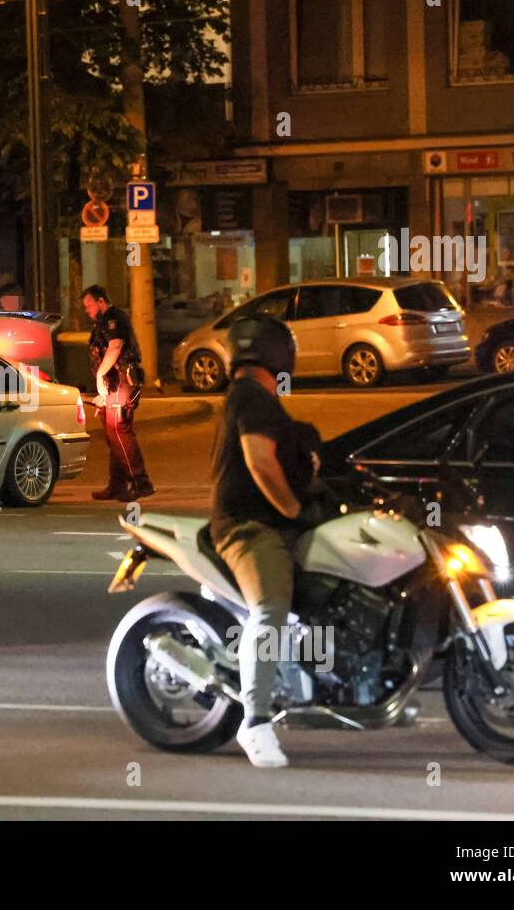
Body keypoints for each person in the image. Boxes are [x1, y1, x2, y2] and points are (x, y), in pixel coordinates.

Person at [208, 314, 319, 768]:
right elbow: (261, 463)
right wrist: (293, 508)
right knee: (270, 607)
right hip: (249, 527)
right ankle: (254, 722)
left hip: (270, 524)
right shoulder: (252, 399)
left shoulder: (253, 398)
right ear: (279, 356)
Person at [82, 285, 154, 501]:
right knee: (113, 434)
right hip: (113, 383)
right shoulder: (103, 322)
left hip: (122, 380)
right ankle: (117, 485)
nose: (86, 310)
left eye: (89, 305)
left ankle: (141, 482)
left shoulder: (114, 319)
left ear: (101, 301)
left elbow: (115, 347)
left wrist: (99, 376)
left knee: (119, 430)